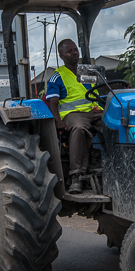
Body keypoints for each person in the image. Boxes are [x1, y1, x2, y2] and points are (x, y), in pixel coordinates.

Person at [45, 39, 103, 194]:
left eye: (75, 50)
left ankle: (111, 162)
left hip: (92, 111)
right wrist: (58, 121)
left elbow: (96, 91)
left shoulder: (86, 72)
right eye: (69, 51)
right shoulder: (58, 76)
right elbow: (53, 103)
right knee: (78, 128)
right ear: (61, 55)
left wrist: (97, 106)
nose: (74, 53)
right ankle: (76, 175)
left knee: (115, 122)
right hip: (72, 114)